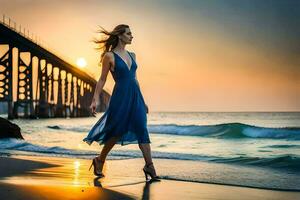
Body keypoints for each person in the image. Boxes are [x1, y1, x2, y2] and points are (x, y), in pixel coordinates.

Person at [83, 24, 160, 181]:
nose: (132, 36)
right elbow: (103, 78)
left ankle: (149, 166)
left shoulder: (133, 55)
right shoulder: (109, 56)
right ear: (120, 35)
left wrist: (143, 100)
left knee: (141, 129)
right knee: (116, 132)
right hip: (120, 98)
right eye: (129, 33)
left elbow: (135, 80)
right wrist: (95, 98)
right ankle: (100, 160)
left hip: (136, 98)